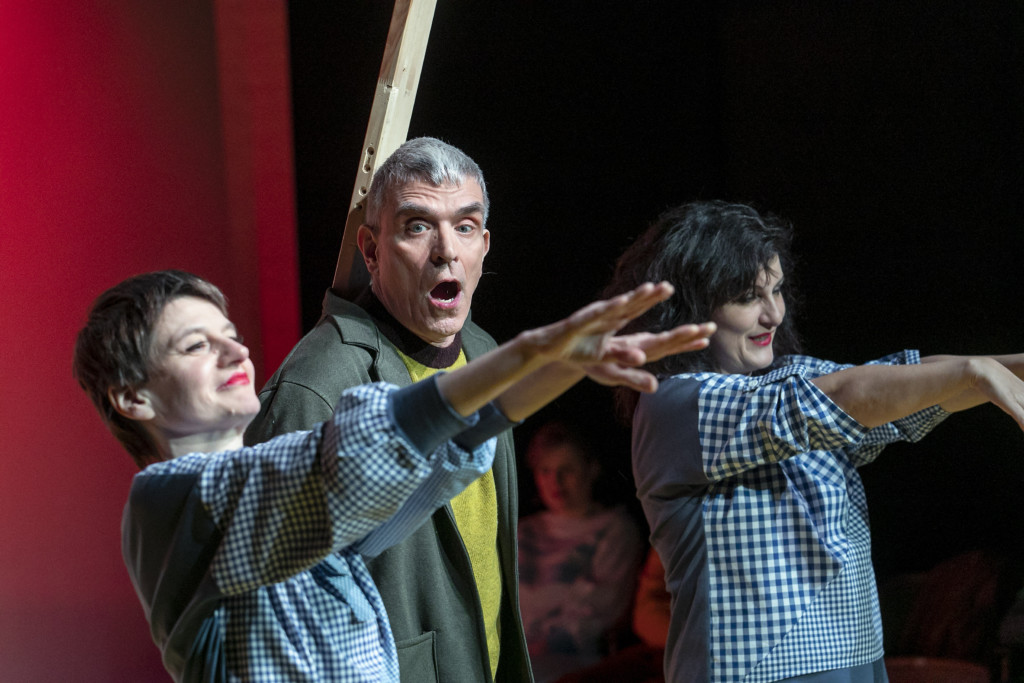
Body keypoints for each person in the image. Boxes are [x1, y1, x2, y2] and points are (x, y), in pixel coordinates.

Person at [73, 269, 715, 682]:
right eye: (195, 346)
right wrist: (531, 349)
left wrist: (564, 366)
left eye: (230, 334)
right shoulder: (171, 502)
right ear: (133, 399)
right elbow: (358, 453)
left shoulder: (288, 510)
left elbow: (438, 457)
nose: (236, 351)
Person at [602, 200, 1024, 682]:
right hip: (757, 672)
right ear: (688, 311)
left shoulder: (787, 377)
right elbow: (837, 398)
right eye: (747, 297)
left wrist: (1011, 366)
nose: (774, 314)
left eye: (777, 290)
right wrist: (976, 372)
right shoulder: (673, 405)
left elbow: (897, 381)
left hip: (855, 660)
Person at [247, 136, 611, 681]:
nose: (447, 250)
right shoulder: (317, 386)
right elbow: (268, 604)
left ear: (484, 245)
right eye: (418, 226)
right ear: (371, 251)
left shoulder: (485, 352)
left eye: (464, 227)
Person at [517, 419, 645, 682]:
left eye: (567, 470)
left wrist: (539, 646)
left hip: (575, 667)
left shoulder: (614, 529)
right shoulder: (522, 531)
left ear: (592, 469)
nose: (556, 481)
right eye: (545, 470)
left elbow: (599, 610)